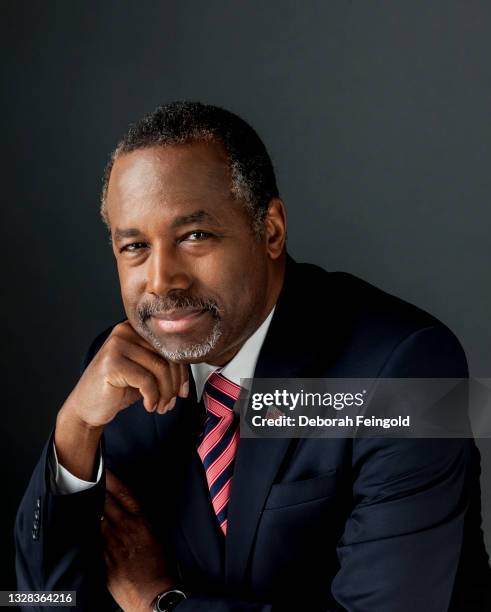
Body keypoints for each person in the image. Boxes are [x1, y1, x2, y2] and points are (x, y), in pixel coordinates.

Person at [15, 101, 491, 611]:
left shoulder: (408, 368)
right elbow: (46, 602)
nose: (160, 280)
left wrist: (161, 604)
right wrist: (73, 433)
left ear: (270, 231)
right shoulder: (119, 376)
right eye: (134, 246)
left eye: (195, 236)